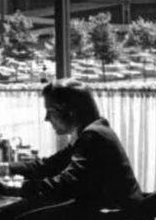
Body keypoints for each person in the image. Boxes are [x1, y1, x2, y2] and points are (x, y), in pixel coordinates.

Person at [10, 78, 142, 210]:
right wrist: (7, 168)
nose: (46, 118)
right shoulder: (92, 132)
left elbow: (68, 184)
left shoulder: (92, 136)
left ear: (70, 112)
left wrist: (18, 187)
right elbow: (50, 165)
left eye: (51, 111)